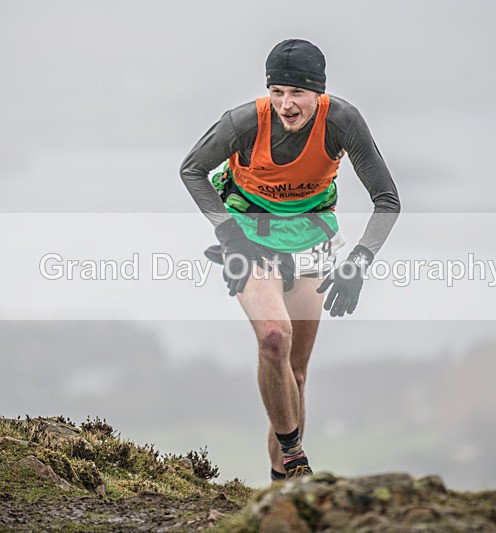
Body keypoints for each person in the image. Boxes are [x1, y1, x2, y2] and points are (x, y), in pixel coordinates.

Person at [180, 39, 400, 481]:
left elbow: (387, 200)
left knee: (295, 375)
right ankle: (296, 457)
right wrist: (229, 237)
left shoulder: (342, 122)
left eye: (297, 92)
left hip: (311, 241)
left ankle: (283, 485)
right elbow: (192, 170)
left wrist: (358, 262)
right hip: (249, 239)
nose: (286, 104)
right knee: (274, 340)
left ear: (319, 92)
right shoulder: (243, 123)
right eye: (277, 91)